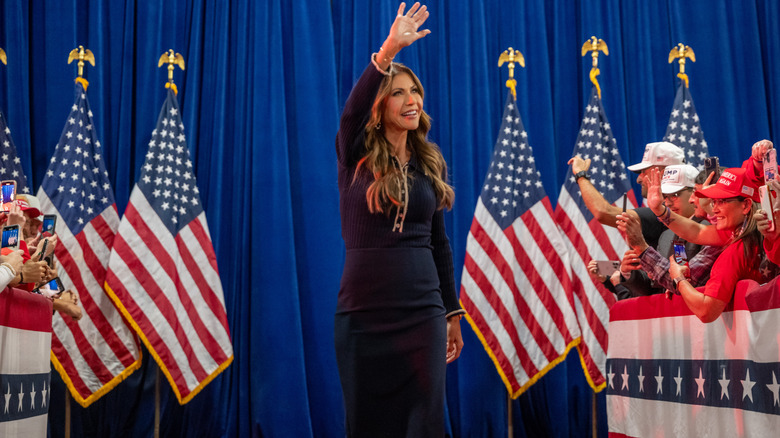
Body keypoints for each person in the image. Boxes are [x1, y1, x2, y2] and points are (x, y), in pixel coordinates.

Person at [333, 3, 464, 436]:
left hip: (422, 312)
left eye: (415, 92)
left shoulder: (430, 164)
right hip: (364, 313)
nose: (412, 101)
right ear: (380, 104)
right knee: (368, 424)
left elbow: (440, 244)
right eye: (398, 92)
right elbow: (351, 113)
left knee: (424, 420)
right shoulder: (355, 154)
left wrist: (451, 311)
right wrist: (388, 50)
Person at [646, 167, 763, 322]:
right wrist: (659, 210)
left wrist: (678, 279)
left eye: (722, 201)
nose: (714, 208)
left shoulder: (734, 251)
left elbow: (706, 311)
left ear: (746, 205)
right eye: (713, 201)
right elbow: (696, 232)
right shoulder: (747, 233)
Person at [569, 141, 685, 249]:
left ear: (665, 172)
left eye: (644, 171)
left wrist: (581, 175)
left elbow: (603, 212)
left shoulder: (667, 214)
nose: (638, 180)